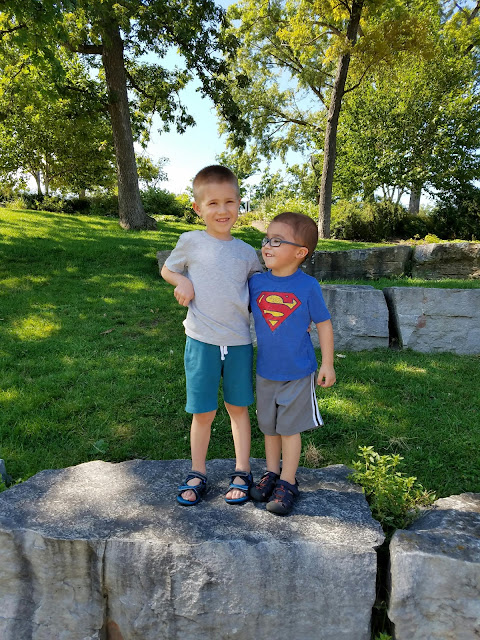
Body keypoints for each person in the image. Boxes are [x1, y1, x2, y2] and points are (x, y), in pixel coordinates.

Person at [161, 165, 262, 506]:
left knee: (238, 408)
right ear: (198, 208)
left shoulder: (247, 252)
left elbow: (260, 292)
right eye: (213, 203)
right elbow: (168, 269)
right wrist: (182, 281)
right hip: (201, 340)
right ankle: (197, 471)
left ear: (239, 204)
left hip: (239, 343)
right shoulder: (190, 241)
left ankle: (242, 470)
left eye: (229, 202)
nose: (222, 210)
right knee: (202, 412)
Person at [248, 211, 336, 515]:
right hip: (266, 371)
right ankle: (271, 473)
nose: (267, 246)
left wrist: (328, 364)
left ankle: (288, 481)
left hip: (298, 371)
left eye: (277, 241)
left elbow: (323, 324)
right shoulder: (256, 283)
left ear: (300, 252)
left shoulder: (307, 286)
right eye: (266, 239)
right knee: (268, 427)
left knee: (289, 428)